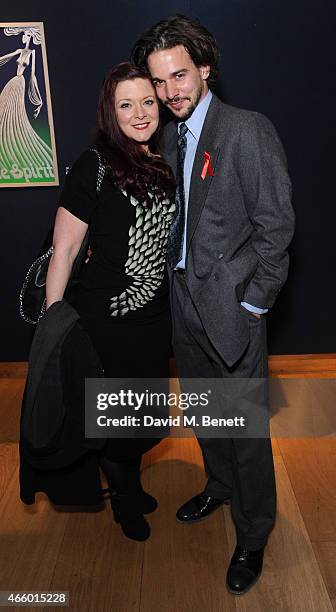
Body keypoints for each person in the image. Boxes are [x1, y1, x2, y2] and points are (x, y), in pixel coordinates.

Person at [132, 15, 295, 592]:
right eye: (160, 81)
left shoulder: (247, 130)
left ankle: (253, 533)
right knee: (207, 415)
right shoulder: (171, 135)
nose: (171, 90)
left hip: (232, 313)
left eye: (180, 75)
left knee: (246, 431)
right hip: (185, 308)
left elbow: (276, 228)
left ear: (204, 69)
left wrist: (254, 304)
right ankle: (219, 486)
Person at [20, 62, 175, 542]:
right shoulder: (95, 165)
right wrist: (53, 321)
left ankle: (130, 482)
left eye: (147, 101)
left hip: (151, 322)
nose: (140, 113)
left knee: (143, 416)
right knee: (114, 422)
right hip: (104, 325)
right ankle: (126, 503)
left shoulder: (163, 159)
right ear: (110, 112)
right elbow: (64, 249)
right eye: (125, 105)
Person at [0, 26, 53, 173]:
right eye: (25, 35)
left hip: (20, 83)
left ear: (31, 37)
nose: (25, 37)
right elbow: (5, 58)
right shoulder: (19, 51)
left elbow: (33, 75)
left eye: (28, 35)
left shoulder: (33, 52)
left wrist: (38, 100)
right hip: (12, 82)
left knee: (16, 113)